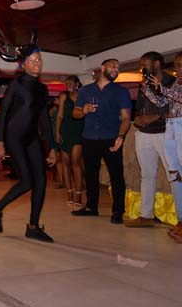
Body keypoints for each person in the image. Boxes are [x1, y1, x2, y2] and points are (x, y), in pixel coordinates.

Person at [0, 46, 57, 242]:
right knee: (27, 182)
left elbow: (44, 119)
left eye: (39, 59)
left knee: (41, 181)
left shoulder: (42, 89)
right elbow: (3, 113)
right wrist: (0, 141)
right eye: (32, 61)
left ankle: (33, 227)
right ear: (23, 65)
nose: (37, 63)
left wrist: (52, 147)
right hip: (14, 137)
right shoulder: (16, 85)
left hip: (32, 138)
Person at [71, 59, 131, 224]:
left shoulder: (121, 92)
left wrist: (121, 136)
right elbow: (75, 113)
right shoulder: (86, 90)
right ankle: (91, 207)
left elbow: (126, 118)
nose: (116, 69)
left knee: (116, 175)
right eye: (113, 66)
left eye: (118, 67)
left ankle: (118, 211)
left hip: (111, 138)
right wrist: (83, 110)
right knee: (91, 174)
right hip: (89, 138)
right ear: (102, 68)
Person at [124, 52, 177, 227]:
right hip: (144, 133)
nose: (142, 68)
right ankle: (146, 216)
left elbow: (172, 107)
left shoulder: (172, 81)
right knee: (147, 175)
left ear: (157, 64)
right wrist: (138, 118)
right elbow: (140, 106)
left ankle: (180, 219)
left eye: (145, 64)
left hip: (165, 133)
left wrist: (155, 117)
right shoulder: (145, 82)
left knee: (174, 175)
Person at [142, 51, 182, 241]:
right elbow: (163, 102)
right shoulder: (177, 82)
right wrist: (148, 90)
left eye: (180, 65)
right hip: (171, 126)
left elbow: (177, 97)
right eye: (176, 65)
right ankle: (181, 220)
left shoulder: (174, 85)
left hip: (181, 126)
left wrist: (161, 87)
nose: (177, 69)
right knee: (175, 176)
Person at [56, 76, 85, 205]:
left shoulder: (83, 96)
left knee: (76, 161)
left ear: (77, 84)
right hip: (65, 131)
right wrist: (57, 132)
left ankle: (78, 194)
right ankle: (69, 193)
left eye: (70, 83)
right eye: (66, 84)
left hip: (79, 131)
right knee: (65, 162)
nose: (68, 86)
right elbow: (60, 115)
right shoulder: (63, 96)